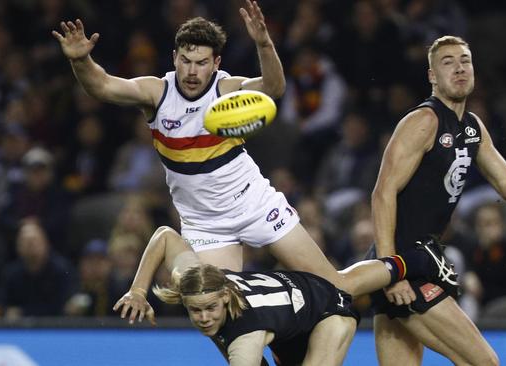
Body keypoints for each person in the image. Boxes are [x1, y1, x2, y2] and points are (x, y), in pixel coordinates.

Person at [52, 1, 376, 298]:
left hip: (255, 205)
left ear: (216, 62)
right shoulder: (156, 92)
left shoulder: (228, 88)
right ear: (174, 58)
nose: (192, 71)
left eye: (202, 63)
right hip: (205, 223)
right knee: (220, 307)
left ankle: (400, 268)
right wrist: (81, 59)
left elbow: (274, 88)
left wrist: (264, 43)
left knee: (333, 286)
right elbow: (103, 86)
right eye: (186, 61)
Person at [368, 35, 506, 365]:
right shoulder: (423, 121)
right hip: (403, 263)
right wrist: (392, 270)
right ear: (432, 76)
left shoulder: (472, 126)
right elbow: (382, 193)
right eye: (448, 63)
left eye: (465, 60)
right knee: (484, 362)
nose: (459, 68)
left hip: (420, 259)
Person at [113, 226, 402, 365]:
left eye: (210, 308)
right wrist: (138, 291)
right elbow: (165, 235)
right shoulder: (199, 280)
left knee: (343, 286)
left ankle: (414, 260)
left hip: (328, 314)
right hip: (289, 320)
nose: (203, 318)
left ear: (226, 296)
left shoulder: (245, 342)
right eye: (195, 311)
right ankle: (403, 263)